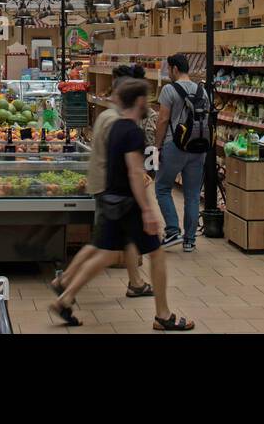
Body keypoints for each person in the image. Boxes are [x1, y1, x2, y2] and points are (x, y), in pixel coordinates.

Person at [49, 79, 194, 331]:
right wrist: (148, 211)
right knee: (157, 255)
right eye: (147, 99)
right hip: (129, 204)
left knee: (103, 253)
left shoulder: (114, 126)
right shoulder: (132, 132)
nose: (149, 104)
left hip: (110, 198)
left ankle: (66, 298)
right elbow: (134, 173)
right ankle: (163, 315)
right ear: (139, 101)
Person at [51, 64, 154, 301]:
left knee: (121, 240)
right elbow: (120, 159)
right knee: (101, 246)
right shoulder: (118, 121)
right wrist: (138, 178)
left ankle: (135, 282)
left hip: (106, 185)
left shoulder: (106, 115)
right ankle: (64, 283)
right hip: (112, 189)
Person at [152, 53, 207, 251]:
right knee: (192, 195)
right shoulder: (202, 91)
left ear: (175, 69)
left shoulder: (169, 89)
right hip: (198, 147)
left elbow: (163, 120)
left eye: (168, 68)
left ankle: (173, 230)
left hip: (174, 146)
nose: (168, 72)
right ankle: (190, 241)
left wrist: (157, 146)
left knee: (162, 188)